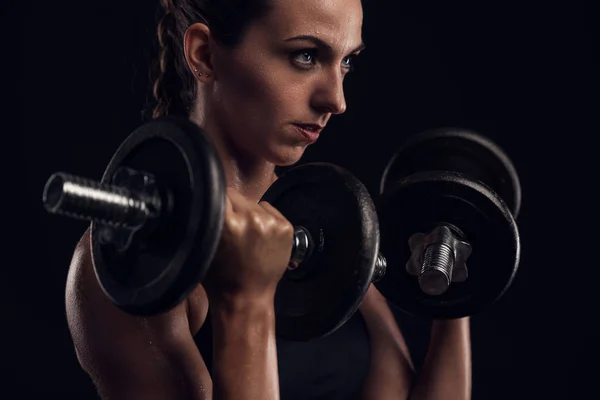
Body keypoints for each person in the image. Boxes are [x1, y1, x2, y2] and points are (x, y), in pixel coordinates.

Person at [65, 0, 472, 399]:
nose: (337, 99)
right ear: (205, 55)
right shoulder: (130, 263)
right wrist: (246, 303)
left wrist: (456, 298)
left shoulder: (326, 215)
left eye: (347, 62)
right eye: (306, 56)